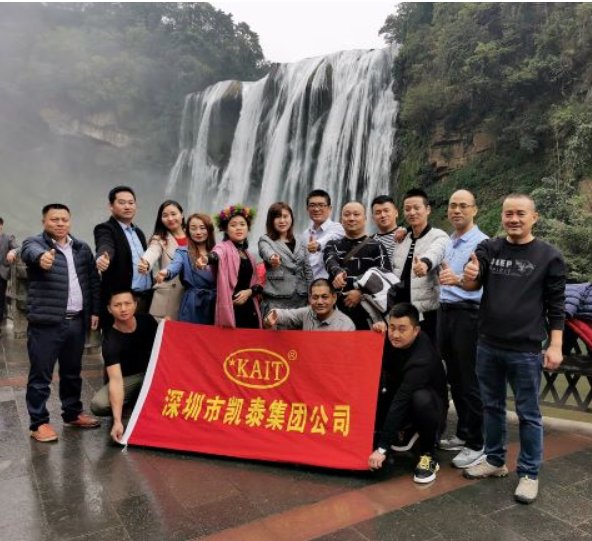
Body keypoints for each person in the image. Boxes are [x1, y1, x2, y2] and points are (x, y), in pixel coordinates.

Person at [461, 193, 566, 505]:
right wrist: (469, 276)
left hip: (526, 349)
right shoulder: (490, 248)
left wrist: (555, 345)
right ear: (502, 217)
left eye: (521, 213)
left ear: (534, 217)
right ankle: (495, 460)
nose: (514, 219)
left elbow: (557, 305)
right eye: (509, 214)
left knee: (529, 413)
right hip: (488, 344)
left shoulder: (549, 256)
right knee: (491, 406)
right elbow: (473, 282)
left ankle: (529, 473)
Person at [21, 203, 101, 442]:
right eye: (54, 219)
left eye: (64, 219)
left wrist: (94, 311)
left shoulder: (81, 248)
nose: (60, 223)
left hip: (76, 321)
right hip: (46, 323)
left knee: (72, 372)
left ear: (70, 221)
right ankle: (38, 423)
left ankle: (72, 413)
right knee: (41, 375)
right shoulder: (35, 243)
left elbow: (92, 281)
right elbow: (30, 252)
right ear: (44, 222)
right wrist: (42, 258)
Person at [437, 190, 488, 467]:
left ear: (474, 210)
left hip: (468, 314)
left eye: (463, 206)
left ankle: (478, 443)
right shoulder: (449, 240)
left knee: (470, 379)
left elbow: (480, 283)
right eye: (453, 205)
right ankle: (464, 432)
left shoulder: (482, 244)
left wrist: (457, 279)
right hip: (446, 312)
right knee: (455, 377)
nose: (457, 210)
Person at [368, 303, 447, 484]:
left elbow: (401, 401)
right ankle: (390, 434)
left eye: (402, 329)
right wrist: (376, 334)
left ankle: (428, 455)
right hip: (400, 400)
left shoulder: (422, 358)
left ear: (416, 330)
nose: (395, 334)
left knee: (420, 398)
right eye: (392, 327)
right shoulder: (391, 339)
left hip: (429, 410)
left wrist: (382, 448)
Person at [90, 290, 158, 443]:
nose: (123, 309)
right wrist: (117, 421)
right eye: (117, 305)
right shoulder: (111, 341)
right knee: (98, 404)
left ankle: (140, 406)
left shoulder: (147, 321)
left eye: (127, 303)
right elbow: (116, 380)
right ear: (109, 309)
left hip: (153, 372)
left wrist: (168, 323)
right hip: (128, 378)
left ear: (135, 304)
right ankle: (128, 405)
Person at [389, 188, 448, 342]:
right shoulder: (402, 238)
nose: (412, 212)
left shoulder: (439, 236)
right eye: (407, 209)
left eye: (417, 208)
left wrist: (425, 264)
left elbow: (436, 252)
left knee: (426, 350)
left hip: (425, 312)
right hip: (400, 310)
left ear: (427, 209)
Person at [324, 201, 391, 330]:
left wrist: (361, 293)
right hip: (336, 313)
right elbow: (330, 260)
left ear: (365, 218)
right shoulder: (333, 244)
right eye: (347, 214)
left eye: (356, 214)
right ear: (341, 219)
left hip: (368, 314)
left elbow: (385, 277)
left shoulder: (377, 247)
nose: (351, 218)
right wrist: (337, 273)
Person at [94, 186, 151, 330]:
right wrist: (103, 258)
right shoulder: (105, 229)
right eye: (122, 202)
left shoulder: (139, 232)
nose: (127, 206)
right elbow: (105, 245)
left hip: (144, 299)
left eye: (131, 203)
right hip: (122, 302)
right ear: (111, 206)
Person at [197, 205, 262, 328]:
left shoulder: (250, 256)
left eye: (242, 224)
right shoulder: (223, 247)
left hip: (250, 311)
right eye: (233, 225)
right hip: (232, 310)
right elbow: (216, 255)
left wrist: (249, 292)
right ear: (226, 230)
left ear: (248, 228)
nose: (238, 228)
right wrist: (206, 259)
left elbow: (257, 285)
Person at [156, 213, 216, 324]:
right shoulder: (183, 252)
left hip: (215, 303)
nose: (198, 232)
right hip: (192, 304)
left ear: (209, 229)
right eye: (193, 228)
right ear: (188, 231)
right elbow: (175, 265)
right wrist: (166, 272)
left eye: (202, 228)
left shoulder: (218, 252)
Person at [259, 202, 313, 318]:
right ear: (271, 220)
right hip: (276, 300)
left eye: (285, 216)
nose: (282, 220)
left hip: (301, 299)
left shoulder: (301, 240)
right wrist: (272, 258)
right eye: (278, 217)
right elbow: (266, 251)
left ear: (291, 218)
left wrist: (311, 294)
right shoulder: (265, 240)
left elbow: (308, 270)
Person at [139, 200, 187, 320]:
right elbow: (153, 251)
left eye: (173, 214)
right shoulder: (160, 239)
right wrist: (146, 262)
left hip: (190, 297)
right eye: (165, 215)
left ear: (182, 215)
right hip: (168, 299)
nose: (170, 218)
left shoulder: (194, 235)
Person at [263, 278, 355, 331]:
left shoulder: (346, 325)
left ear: (334, 298)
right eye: (315, 297)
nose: (319, 302)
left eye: (324, 297)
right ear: (310, 299)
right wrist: (271, 317)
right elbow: (283, 314)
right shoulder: (307, 313)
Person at [302, 189, 345, 279]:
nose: (316, 209)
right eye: (312, 205)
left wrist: (318, 244)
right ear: (307, 209)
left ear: (330, 209)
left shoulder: (338, 228)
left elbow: (331, 237)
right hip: (307, 284)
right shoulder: (305, 234)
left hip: (328, 284)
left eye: (321, 205)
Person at [0, 217, 19, 333]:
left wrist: (12, 252)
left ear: (1, 225)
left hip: (1, 273)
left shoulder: (8, 238)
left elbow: (18, 248)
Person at [370, 195, 401, 261]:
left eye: (386, 211)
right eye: (378, 212)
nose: (383, 215)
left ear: (396, 213)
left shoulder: (406, 237)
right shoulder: (369, 242)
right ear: (373, 218)